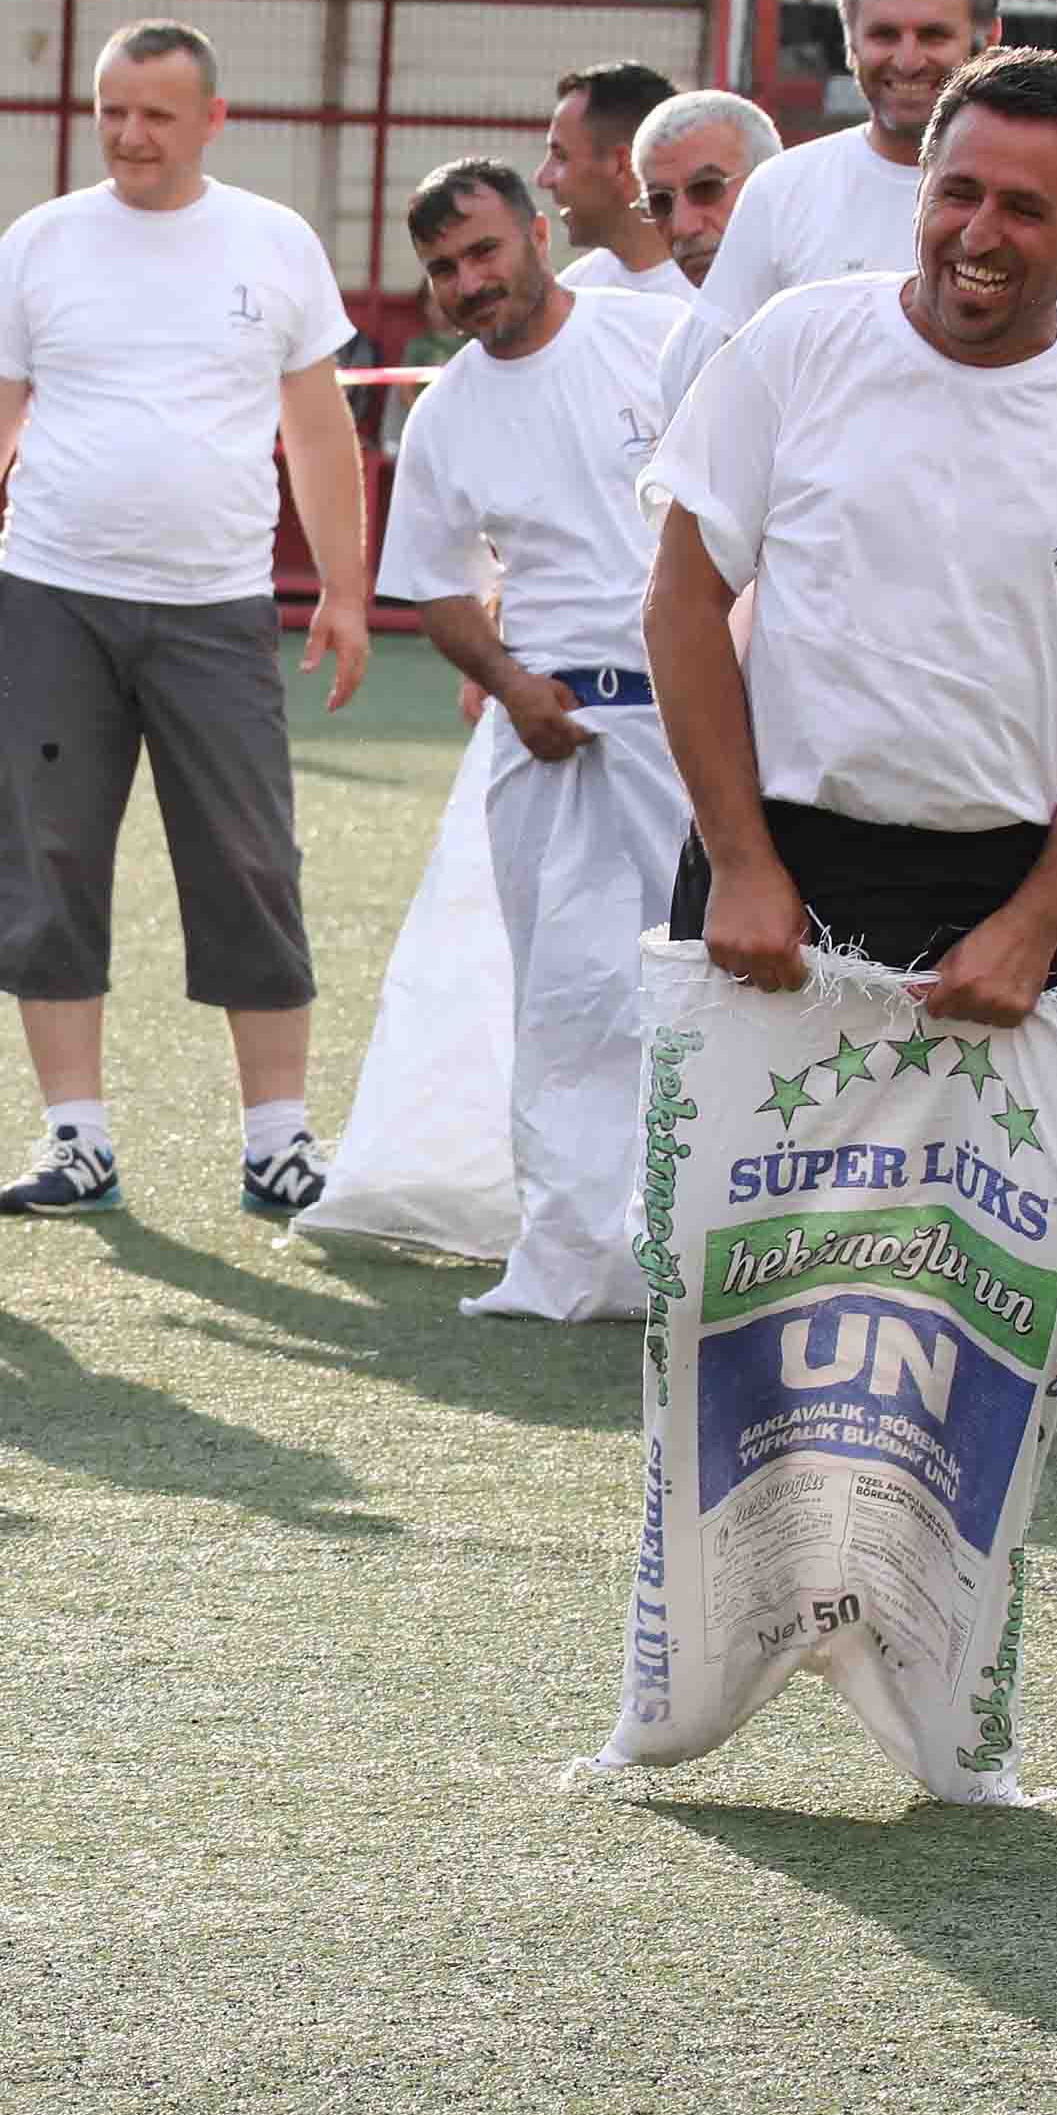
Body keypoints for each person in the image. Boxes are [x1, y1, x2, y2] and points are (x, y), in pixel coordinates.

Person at [642, 48, 1057, 1020]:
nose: (978, 233)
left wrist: (1038, 918)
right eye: (955, 192)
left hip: (1008, 894)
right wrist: (740, 859)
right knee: (732, 1182)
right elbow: (680, 601)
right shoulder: (794, 343)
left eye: (1022, 208)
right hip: (773, 873)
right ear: (919, 190)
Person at [0, 18, 375, 1220]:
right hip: (51, 600)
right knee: (49, 857)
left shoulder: (273, 243)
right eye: (111, 110)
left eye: (156, 115)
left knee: (248, 860)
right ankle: (75, 1139)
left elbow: (318, 430)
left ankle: (277, 1141)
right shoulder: (40, 243)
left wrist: (343, 587)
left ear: (211, 119)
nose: (130, 135)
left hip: (215, 608)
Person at [373, 159, 692, 1320]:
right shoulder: (446, 409)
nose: (468, 282)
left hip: (694, 720)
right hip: (545, 733)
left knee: (707, 982)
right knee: (560, 996)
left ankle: (707, 1245)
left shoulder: (656, 337)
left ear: (538, 233)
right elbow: (435, 587)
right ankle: (569, 1258)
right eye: (445, 269)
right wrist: (510, 685)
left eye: (483, 252)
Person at [667, 0, 1057, 410]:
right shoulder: (781, 189)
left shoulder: (1052, 194)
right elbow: (704, 386)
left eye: (933, 35)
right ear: (850, 43)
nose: (908, 59)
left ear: (989, 40)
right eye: (884, 35)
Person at [628, 89, 785, 414]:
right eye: (660, 201)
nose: (683, 226)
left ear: (772, 180)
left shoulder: (845, 309)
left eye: (707, 188)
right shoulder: (683, 354)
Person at [537, 61, 690, 299]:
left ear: (623, 165)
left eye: (560, 156)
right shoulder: (577, 287)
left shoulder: (714, 306)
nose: (542, 178)